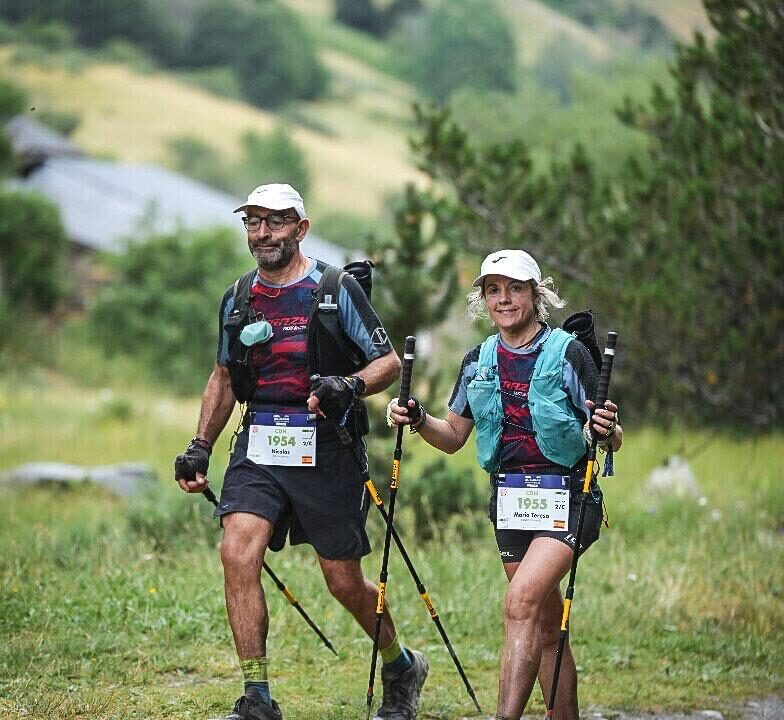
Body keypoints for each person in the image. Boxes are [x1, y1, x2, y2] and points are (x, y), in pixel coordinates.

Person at [174, 183, 428, 720]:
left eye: (275, 222)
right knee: (237, 551)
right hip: (260, 442)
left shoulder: (335, 289)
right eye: (253, 222)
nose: (262, 233)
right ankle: (257, 698)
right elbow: (223, 375)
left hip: (328, 447)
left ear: (301, 228)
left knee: (341, 580)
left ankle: (400, 664)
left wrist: (349, 386)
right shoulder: (239, 295)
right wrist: (200, 446)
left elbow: (387, 363)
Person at [388, 249, 623, 720]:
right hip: (512, 505)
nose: (504, 299)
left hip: (569, 497)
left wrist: (609, 430)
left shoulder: (568, 352)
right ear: (484, 300)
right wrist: (417, 418)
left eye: (515, 288)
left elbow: (610, 435)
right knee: (546, 628)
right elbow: (453, 436)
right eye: (493, 290)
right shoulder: (478, 360)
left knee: (519, 604)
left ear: (536, 295)